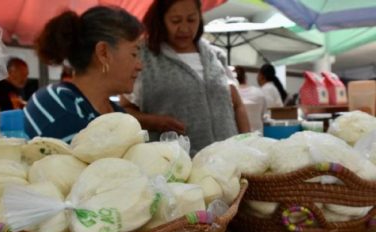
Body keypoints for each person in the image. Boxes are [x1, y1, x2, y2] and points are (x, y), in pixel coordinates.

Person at [120, 0, 250, 155]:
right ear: (160, 21)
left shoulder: (215, 56)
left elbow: (238, 106)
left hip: (229, 160)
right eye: (175, 21)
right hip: (176, 166)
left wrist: (247, 144)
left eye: (191, 19)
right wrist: (154, 122)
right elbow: (124, 110)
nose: (184, 28)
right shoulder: (144, 58)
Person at [23, 6, 143, 142]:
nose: (140, 66)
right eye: (134, 53)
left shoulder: (118, 114)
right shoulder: (55, 103)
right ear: (103, 53)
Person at [234, 65, 266, 132]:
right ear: (245, 77)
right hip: (258, 135)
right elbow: (263, 115)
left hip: (237, 137)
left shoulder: (231, 94)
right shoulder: (259, 92)